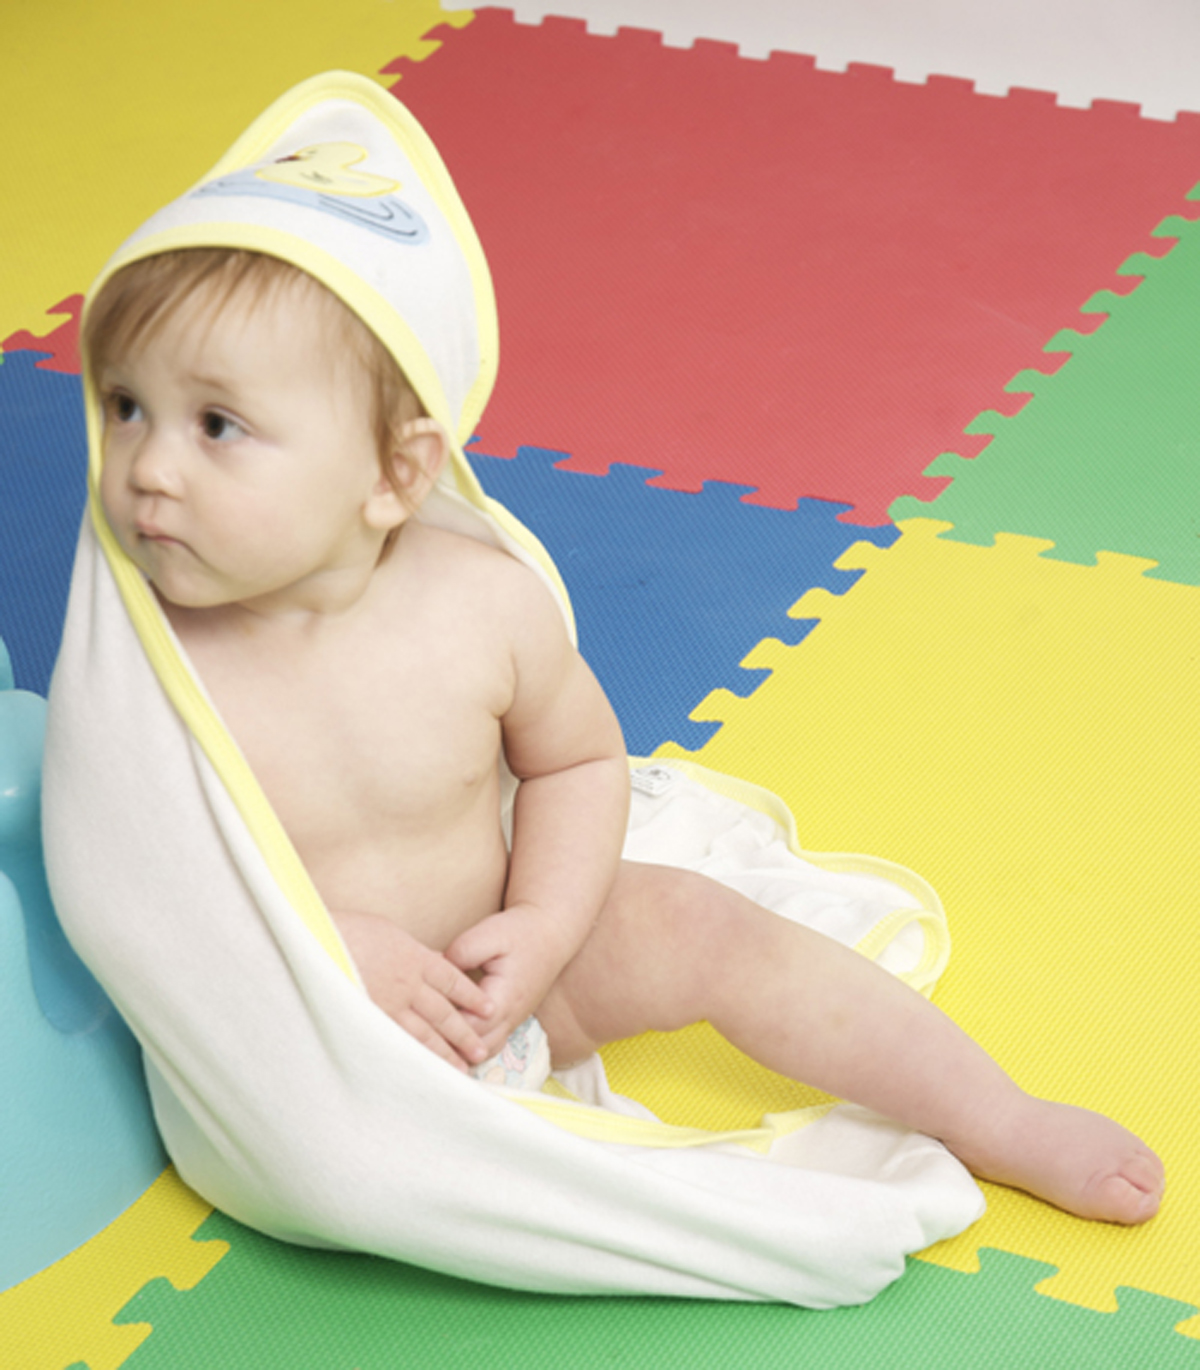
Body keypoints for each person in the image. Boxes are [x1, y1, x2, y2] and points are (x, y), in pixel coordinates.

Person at [84, 242, 1164, 1230]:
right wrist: (324, 949)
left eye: (216, 425)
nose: (148, 467)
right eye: (126, 407)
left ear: (394, 474)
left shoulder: (482, 605)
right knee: (335, 1178)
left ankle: (999, 1116)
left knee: (700, 922)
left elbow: (579, 760)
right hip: (309, 1037)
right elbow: (133, 879)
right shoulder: (146, 667)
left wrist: (545, 926)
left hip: (510, 981)